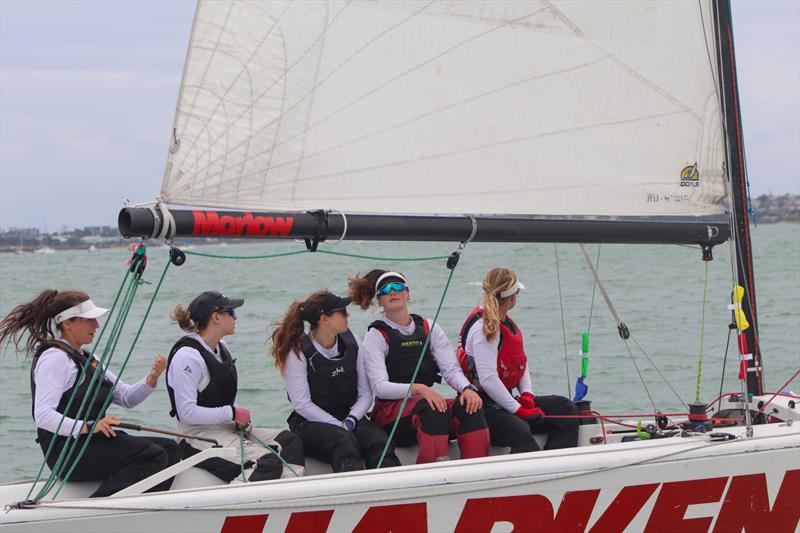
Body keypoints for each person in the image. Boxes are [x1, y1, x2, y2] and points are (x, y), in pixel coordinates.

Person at [0, 289, 179, 498]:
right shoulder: (55, 358)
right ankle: (103, 505)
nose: (97, 326)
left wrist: (151, 378)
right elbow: (42, 415)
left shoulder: (88, 358)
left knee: (170, 449)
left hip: (92, 443)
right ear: (67, 323)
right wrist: (87, 426)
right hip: (67, 452)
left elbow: (126, 398)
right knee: (154, 456)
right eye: (89, 320)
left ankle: (143, 507)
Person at [349, 270, 489, 463]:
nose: (392, 292)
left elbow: (451, 371)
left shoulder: (428, 327)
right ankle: (433, 474)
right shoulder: (376, 336)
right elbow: (379, 386)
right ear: (379, 301)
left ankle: (477, 470)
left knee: (470, 406)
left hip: (422, 408)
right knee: (430, 408)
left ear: (408, 293)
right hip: (390, 415)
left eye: (397, 287)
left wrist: (467, 388)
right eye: (385, 290)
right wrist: (419, 389)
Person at [166, 291, 304, 482]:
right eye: (230, 312)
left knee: (289, 441)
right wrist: (232, 413)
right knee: (267, 462)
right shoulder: (187, 357)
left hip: (227, 428)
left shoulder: (222, 347)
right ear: (215, 317)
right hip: (196, 437)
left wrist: (239, 419)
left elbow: (224, 395)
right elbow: (186, 412)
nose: (235, 316)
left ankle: (289, 493)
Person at [270, 290, 401, 472]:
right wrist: (339, 426)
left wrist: (351, 420)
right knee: (343, 442)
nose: (347, 315)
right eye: (342, 312)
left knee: (379, 441)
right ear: (324, 319)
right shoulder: (298, 351)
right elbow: (302, 404)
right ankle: (354, 496)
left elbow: (365, 394)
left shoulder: (352, 341)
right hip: (310, 423)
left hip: (349, 417)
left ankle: (390, 493)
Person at [457, 267, 579, 453]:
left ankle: (556, 465)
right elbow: (488, 379)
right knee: (520, 430)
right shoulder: (485, 330)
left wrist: (527, 396)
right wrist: (519, 410)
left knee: (565, 409)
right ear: (513, 298)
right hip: (482, 408)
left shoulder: (506, 323)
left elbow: (522, 362)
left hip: (504, 401)